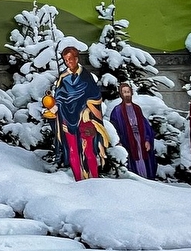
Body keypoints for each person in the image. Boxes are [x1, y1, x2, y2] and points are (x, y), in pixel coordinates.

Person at [47, 46, 108, 180]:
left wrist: (88, 111)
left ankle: (95, 180)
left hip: (85, 119)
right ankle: (79, 181)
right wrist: (54, 107)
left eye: (70, 59)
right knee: (73, 151)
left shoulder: (86, 77)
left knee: (89, 151)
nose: (68, 62)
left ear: (76, 58)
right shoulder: (63, 78)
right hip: (67, 120)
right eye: (65, 60)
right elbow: (59, 98)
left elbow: (95, 97)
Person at [109, 82, 157, 179]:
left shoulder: (137, 108)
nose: (127, 94)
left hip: (140, 138)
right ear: (121, 94)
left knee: (142, 158)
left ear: (131, 93)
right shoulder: (117, 110)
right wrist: (118, 142)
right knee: (132, 159)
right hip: (127, 140)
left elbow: (145, 125)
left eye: (128, 92)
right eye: (124, 92)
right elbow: (114, 127)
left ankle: (146, 178)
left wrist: (147, 139)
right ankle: (135, 179)